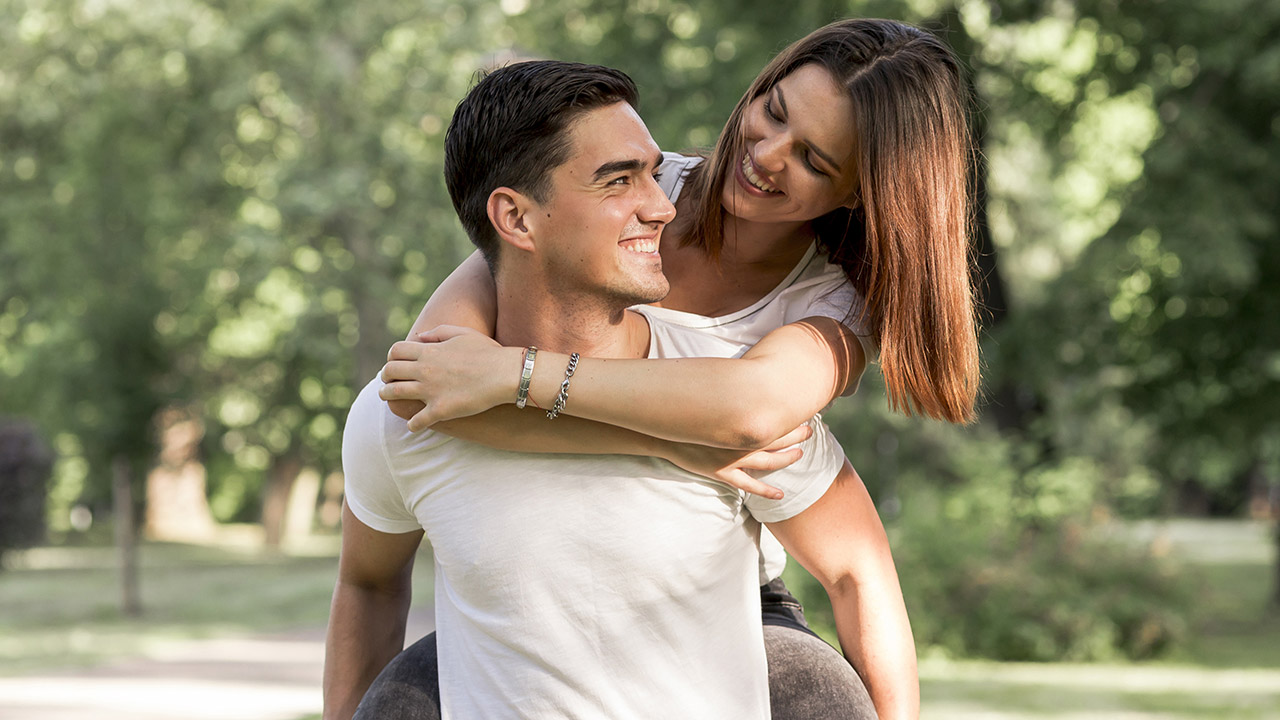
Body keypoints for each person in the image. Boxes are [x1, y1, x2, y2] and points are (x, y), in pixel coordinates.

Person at [377, 16, 977, 720]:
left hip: (718, 586)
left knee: (816, 696)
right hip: (535, 577)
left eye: (814, 160)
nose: (767, 154)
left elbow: (750, 410)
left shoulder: (833, 304)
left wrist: (516, 376)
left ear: (857, 192)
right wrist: (683, 446)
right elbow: (430, 385)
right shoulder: (627, 188)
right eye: (773, 111)